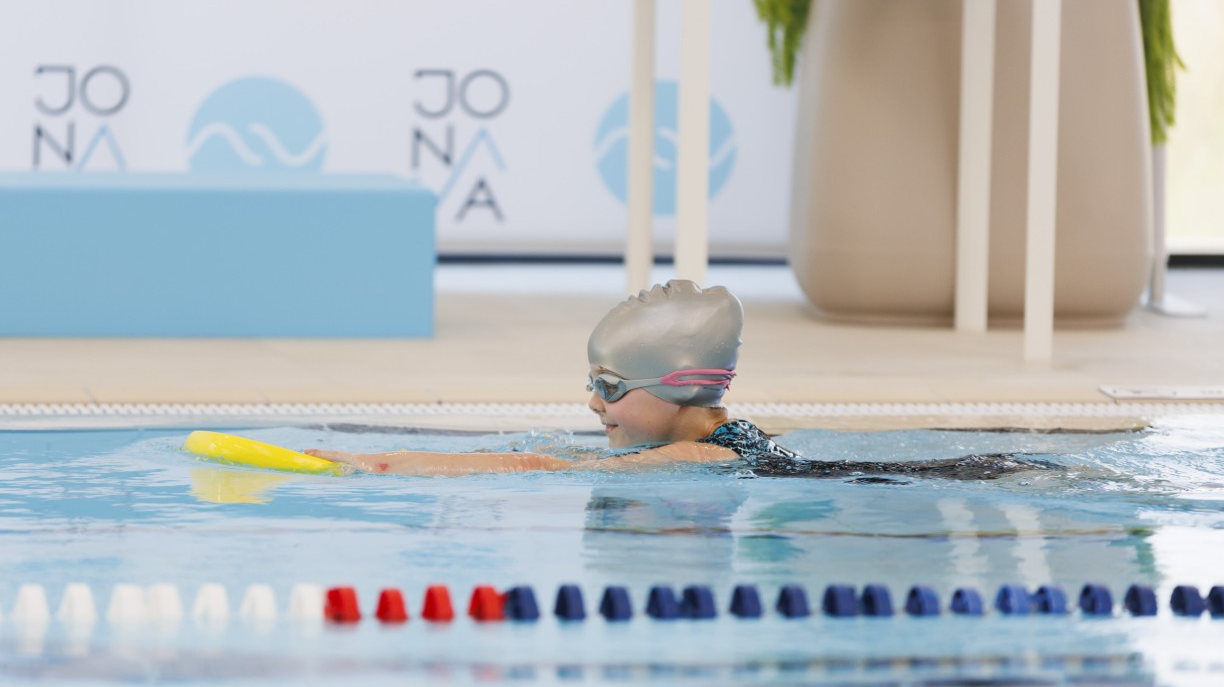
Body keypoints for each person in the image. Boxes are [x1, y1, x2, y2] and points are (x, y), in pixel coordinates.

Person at [305, 280, 1042, 480]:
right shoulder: (727, 440)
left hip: (970, 475)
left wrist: (377, 463)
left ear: (681, 385)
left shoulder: (701, 454)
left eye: (611, 387)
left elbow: (537, 467)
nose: (592, 402)